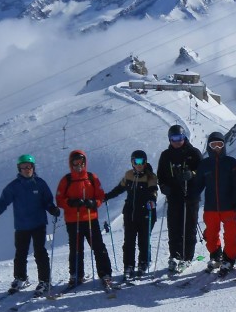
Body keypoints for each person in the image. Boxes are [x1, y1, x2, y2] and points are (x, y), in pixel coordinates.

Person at [0, 154, 60, 295]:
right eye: (23, 167)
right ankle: (21, 278)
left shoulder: (40, 183)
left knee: (40, 252)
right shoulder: (14, 186)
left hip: (38, 223)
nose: (26, 169)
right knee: (20, 253)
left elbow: (47, 201)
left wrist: (52, 209)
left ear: (33, 167)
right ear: (19, 169)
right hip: (21, 225)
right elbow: (3, 202)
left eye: (29, 166)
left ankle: (45, 280)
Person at [55, 150, 114, 289]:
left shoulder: (92, 178)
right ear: (71, 163)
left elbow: (100, 196)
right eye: (75, 162)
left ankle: (105, 273)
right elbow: (59, 199)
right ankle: (76, 274)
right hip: (73, 219)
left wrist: (94, 203)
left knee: (98, 247)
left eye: (80, 161)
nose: (78, 165)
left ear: (84, 162)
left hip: (90, 218)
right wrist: (70, 202)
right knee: (76, 249)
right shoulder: (66, 179)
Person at [104, 149, 158, 281]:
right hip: (130, 213)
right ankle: (128, 266)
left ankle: (143, 263)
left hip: (146, 213)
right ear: (132, 162)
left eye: (141, 161)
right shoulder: (128, 175)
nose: (138, 164)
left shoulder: (150, 176)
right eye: (136, 161)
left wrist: (152, 200)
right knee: (128, 242)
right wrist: (107, 196)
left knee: (144, 240)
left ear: (145, 162)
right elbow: (119, 188)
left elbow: (153, 191)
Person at [194, 131, 236, 275]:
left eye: (219, 144)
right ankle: (216, 255)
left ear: (224, 145)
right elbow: (198, 184)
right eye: (213, 144)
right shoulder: (204, 164)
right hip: (210, 207)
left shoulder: (231, 162)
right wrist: (190, 194)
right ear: (209, 146)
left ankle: (229, 259)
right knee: (210, 234)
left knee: (231, 234)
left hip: (228, 205)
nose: (216, 147)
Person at [156, 124, 202, 273]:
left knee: (189, 227)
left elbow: (202, 174)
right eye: (174, 138)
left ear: (184, 137)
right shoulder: (165, 155)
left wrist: (192, 175)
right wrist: (163, 187)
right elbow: (161, 175)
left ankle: (187, 257)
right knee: (174, 227)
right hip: (174, 196)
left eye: (180, 138)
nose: (177, 141)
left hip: (190, 196)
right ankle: (175, 256)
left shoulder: (193, 153)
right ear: (169, 139)